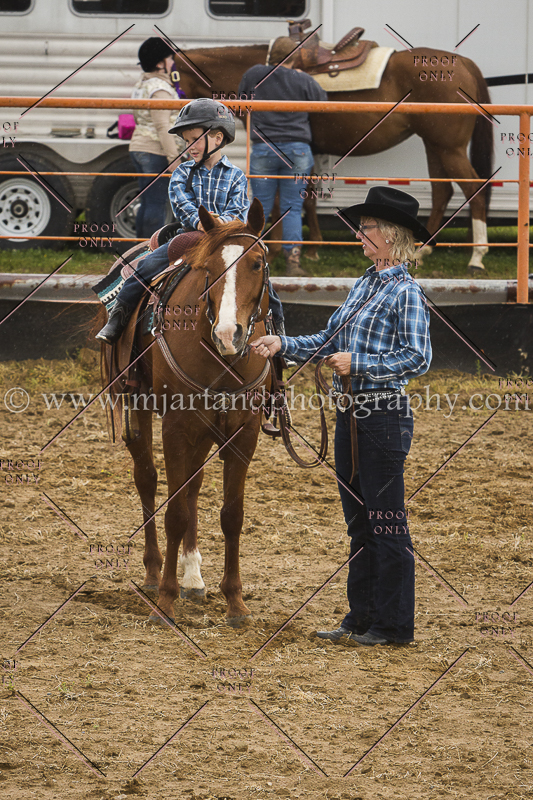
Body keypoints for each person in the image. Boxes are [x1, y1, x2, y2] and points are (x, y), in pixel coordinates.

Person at [251, 187, 432, 646]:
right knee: (360, 522)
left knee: (386, 521)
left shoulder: (407, 292)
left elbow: (418, 357)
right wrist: (283, 344)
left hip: (382, 414)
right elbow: (329, 339)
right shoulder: (365, 283)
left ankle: (392, 626)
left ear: (390, 235)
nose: (358, 234)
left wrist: (360, 364)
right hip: (350, 413)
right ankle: (361, 617)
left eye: (365, 228)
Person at [96, 98, 285, 344]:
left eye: (195, 139)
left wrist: (220, 225)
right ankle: (118, 319)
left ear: (218, 138)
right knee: (146, 267)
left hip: (227, 238)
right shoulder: (181, 173)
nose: (190, 147)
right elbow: (181, 205)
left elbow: (239, 209)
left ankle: (279, 333)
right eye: (186, 141)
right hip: (191, 235)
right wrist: (201, 222)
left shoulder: (236, 176)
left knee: (264, 283)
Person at [238, 36, 328, 277]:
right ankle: (293, 262)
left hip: (263, 148)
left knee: (259, 207)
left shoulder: (255, 74)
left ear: (271, 55)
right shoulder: (302, 78)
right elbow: (323, 103)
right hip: (298, 150)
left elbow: (241, 100)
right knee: (292, 207)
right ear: (294, 57)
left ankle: (245, 259)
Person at [128, 37, 181, 239]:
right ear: (160, 63)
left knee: (148, 201)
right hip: (154, 151)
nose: (172, 62)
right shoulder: (160, 89)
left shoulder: (142, 84)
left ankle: (140, 247)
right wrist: (174, 159)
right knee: (156, 203)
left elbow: (138, 118)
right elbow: (162, 126)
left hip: (139, 147)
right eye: (170, 58)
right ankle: (151, 249)